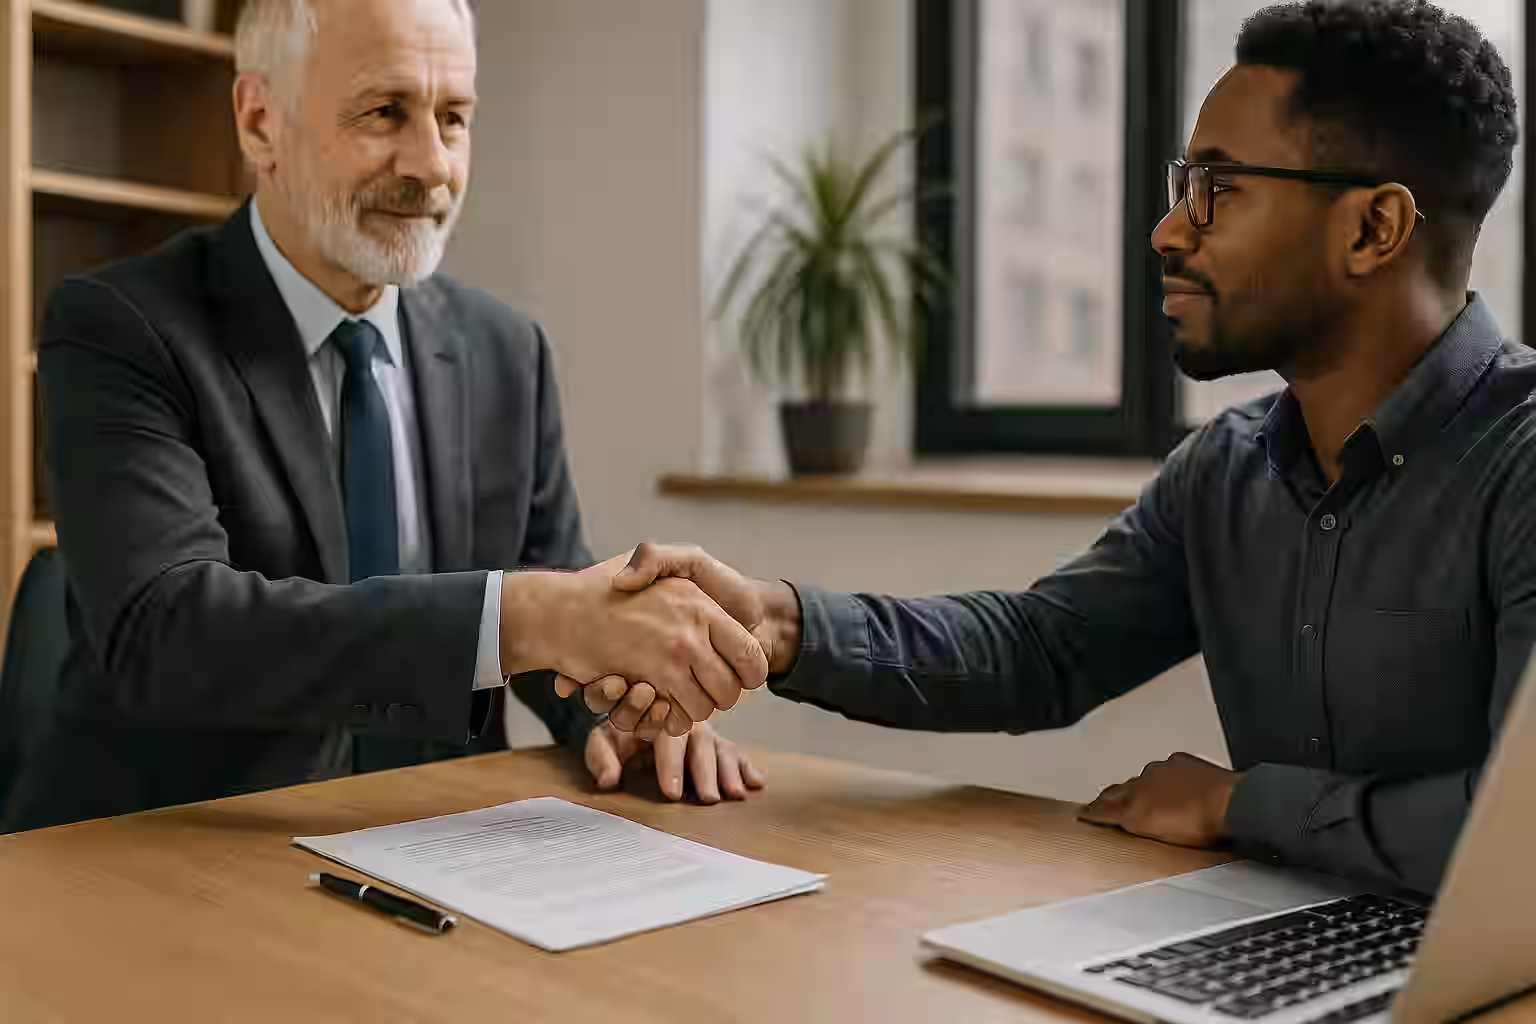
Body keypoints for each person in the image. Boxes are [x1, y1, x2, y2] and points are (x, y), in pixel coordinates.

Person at [571, 0, 1528, 897]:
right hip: (1270, 941)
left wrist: (1242, 804)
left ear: (1374, 228)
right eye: (1179, 188)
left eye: (1217, 191)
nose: (1166, 231)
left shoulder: (1519, 462)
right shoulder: (1229, 468)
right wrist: (781, 626)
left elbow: (1521, 838)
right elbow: (1042, 649)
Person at [3, 0, 768, 832]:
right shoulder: (120, 327)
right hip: (165, 858)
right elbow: (169, 631)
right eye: (384, 112)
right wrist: (522, 615)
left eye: (454, 117)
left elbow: (557, 597)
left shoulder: (505, 351)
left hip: (442, 846)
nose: (432, 164)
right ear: (261, 123)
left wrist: (620, 709)